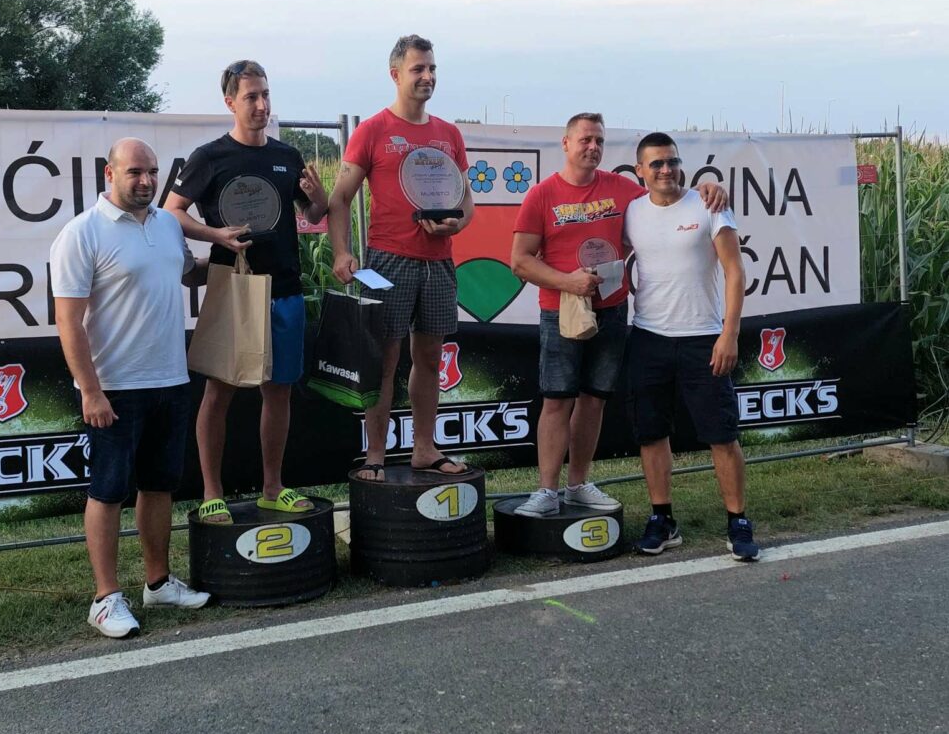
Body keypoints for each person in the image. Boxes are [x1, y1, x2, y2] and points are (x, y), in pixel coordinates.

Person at [510, 115, 727, 517]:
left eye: (599, 140)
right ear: (566, 143)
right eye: (585, 140)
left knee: (593, 401)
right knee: (557, 401)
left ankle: (577, 485)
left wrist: (708, 188)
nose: (593, 147)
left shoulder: (622, 189)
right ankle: (546, 491)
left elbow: (667, 195)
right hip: (561, 312)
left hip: (611, 310)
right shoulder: (541, 195)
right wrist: (568, 282)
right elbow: (520, 261)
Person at [51, 138, 211, 639]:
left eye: (153, 172)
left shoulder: (167, 225)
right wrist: (90, 390)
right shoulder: (81, 233)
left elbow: (187, 273)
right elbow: (68, 322)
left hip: (171, 378)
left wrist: (232, 253)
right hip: (114, 387)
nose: (146, 181)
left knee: (159, 486)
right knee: (108, 491)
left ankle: (158, 583)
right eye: (135, 172)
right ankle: (105, 599)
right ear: (109, 173)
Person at [164, 60, 327, 524]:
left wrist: (318, 198)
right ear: (230, 102)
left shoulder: (287, 155)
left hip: (285, 289)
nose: (261, 105)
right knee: (219, 392)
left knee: (280, 392)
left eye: (265, 95)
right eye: (251, 97)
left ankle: (273, 488)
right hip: (235, 288)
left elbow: (313, 215)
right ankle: (211, 493)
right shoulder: (209, 156)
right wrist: (215, 235)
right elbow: (172, 212)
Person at [328, 34, 474, 481]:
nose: (428, 76)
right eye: (418, 69)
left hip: (438, 261)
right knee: (385, 361)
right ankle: (375, 455)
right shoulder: (373, 130)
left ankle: (424, 449)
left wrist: (456, 225)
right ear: (395, 74)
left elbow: (467, 202)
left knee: (430, 358)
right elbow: (339, 199)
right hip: (387, 261)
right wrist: (342, 252)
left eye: (432, 68)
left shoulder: (448, 133)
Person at [623, 131, 759, 561]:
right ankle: (663, 520)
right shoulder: (631, 211)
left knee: (722, 435)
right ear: (640, 171)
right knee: (652, 434)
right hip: (648, 338)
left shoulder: (709, 204)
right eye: (657, 164)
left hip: (704, 338)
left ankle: (738, 522)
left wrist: (729, 333)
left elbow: (735, 272)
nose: (666, 170)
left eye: (673, 162)